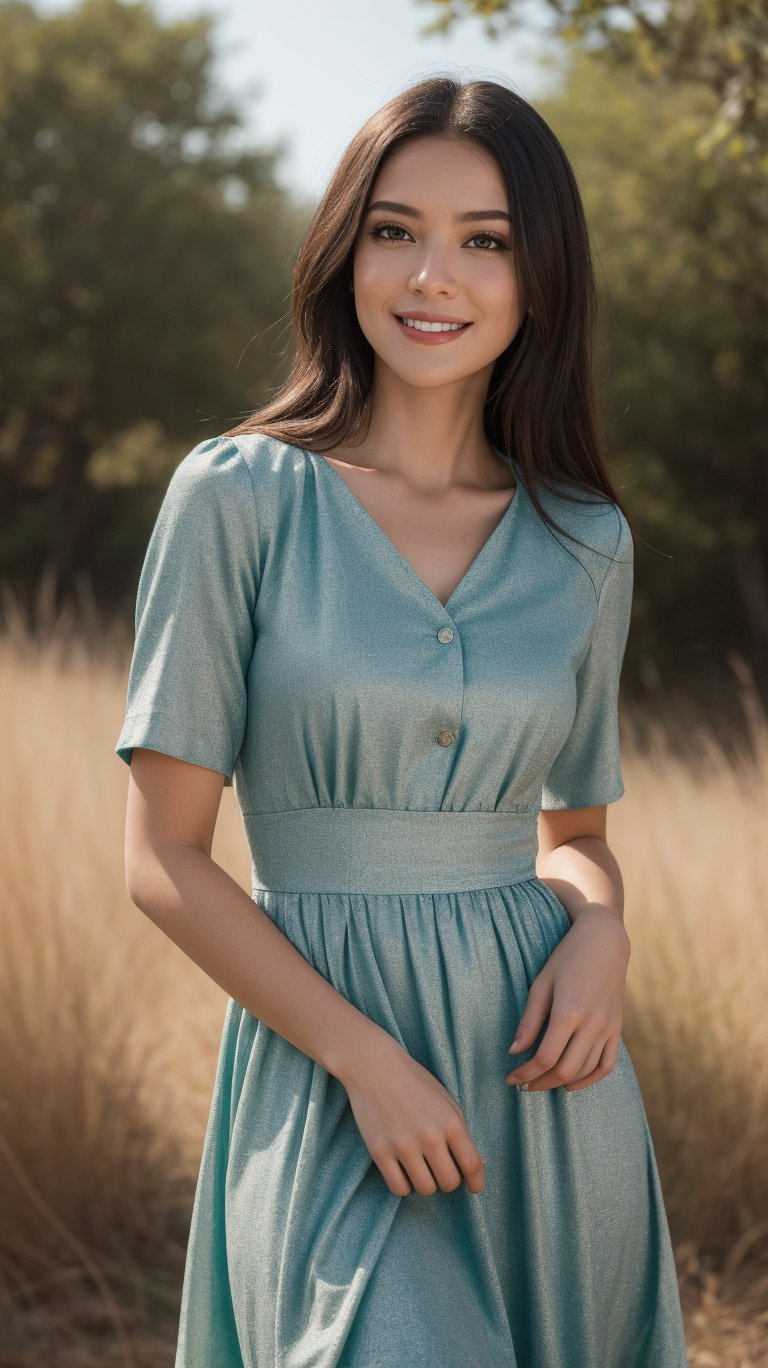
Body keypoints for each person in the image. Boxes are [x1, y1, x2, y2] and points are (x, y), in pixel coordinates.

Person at [115, 75, 690, 1368]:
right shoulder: (238, 499)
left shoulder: (587, 543)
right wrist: (367, 1064)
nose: (434, 276)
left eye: (485, 241)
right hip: (325, 1077)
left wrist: (600, 926)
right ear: (345, 253)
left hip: (544, 1089)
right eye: (395, 229)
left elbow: (576, 831)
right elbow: (161, 862)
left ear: (540, 276)